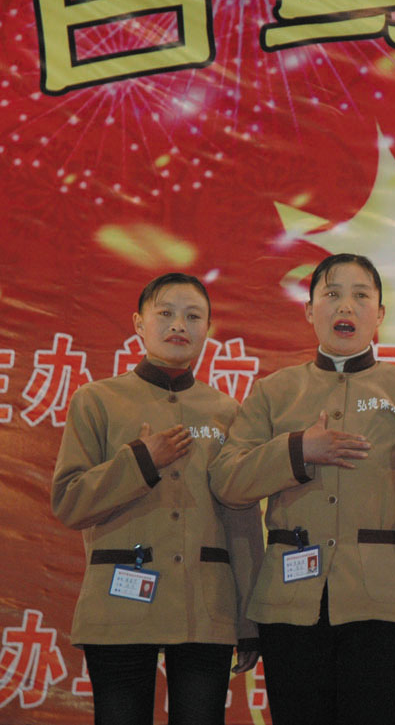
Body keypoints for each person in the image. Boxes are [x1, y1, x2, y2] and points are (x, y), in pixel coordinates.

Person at [209, 254, 395, 725]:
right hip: (290, 602)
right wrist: (297, 450)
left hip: (388, 601)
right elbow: (228, 482)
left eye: (360, 295)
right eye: (331, 294)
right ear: (309, 311)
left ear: (380, 314)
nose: (346, 306)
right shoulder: (273, 392)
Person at [51, 273, 263, 725]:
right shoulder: (96, 400)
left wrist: (249, 619)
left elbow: (242, 519)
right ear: (138, 323)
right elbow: (69, 501)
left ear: (208, 329)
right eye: (165, 313)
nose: (178, 325)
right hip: (119, 600)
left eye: (193, 316)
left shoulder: (227, 412)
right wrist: (140, 462)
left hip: (206, 606)